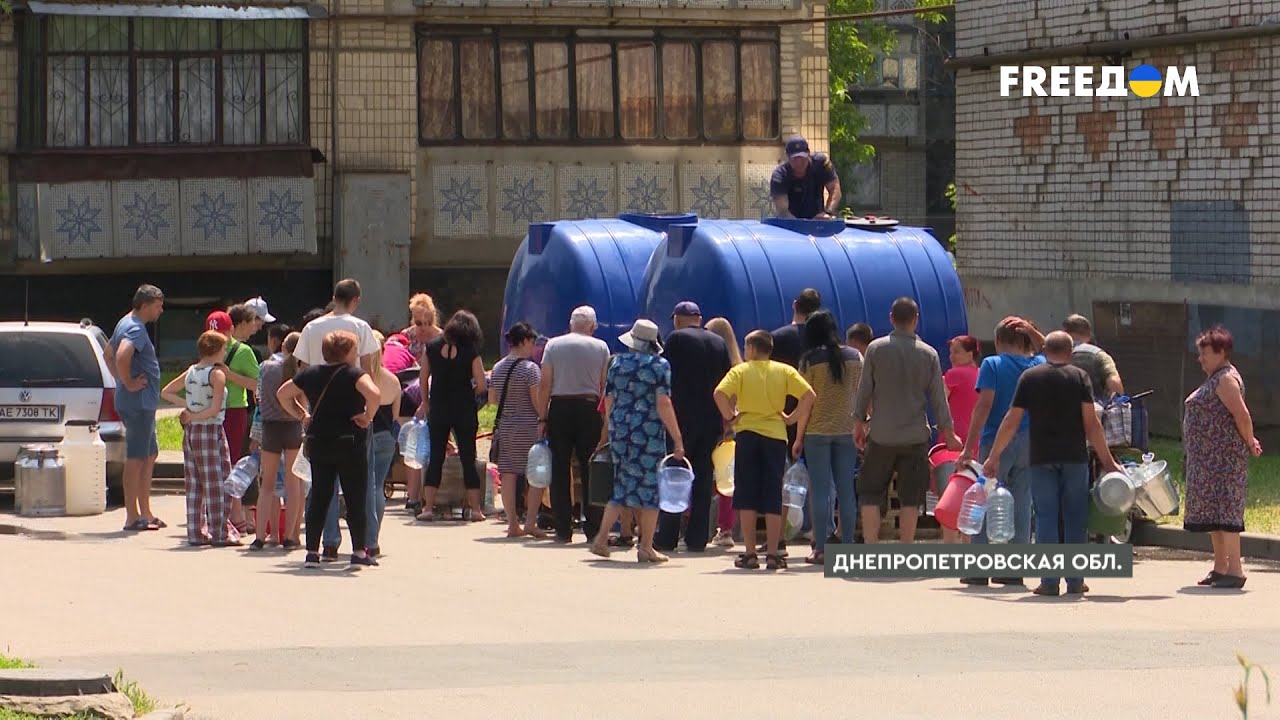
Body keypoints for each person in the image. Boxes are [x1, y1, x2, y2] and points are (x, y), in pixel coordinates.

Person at [983, 331, 1122, 597]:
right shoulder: (1079, 377)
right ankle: (1074, 581)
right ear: (1071, 353)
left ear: (1045, 350)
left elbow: (1012, 419)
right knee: (1074, 518)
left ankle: (1049, 582)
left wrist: (994, 456)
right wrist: (1109, 461)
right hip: (1074, 457)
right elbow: (1091, 422)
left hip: (1041, 457)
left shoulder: (1030, 377)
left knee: (1045, 517)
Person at [852, 297, 961, 544]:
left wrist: (859, 422)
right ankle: (906, 549)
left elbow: (864, 389)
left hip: (881, 434)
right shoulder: (928, 354)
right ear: (916, 320)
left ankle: (871, 548)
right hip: (914, 436)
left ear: (891, 318)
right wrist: (949, 432)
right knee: (911, 497)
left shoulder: (876, 349)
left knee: (870, 492)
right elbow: (938, 398)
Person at [276, 330, 380, 569]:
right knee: (355, 496)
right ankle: (358, 552)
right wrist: (368, 416)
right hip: (349, 440)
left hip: (320, 440)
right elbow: (374, 394)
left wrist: (302, 415)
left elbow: (283, 394)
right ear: (346, 352)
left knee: (320, 496)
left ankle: (312, 551)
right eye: (354, 350)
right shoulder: (354, 373)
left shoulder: (310, 373)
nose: (356, 354)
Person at [714, 330, 815, 571]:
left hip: (747, 434)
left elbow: (719, 393)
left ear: (750, 348)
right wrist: (790, 419)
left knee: (746, 494)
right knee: (773, 494)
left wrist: (731, 417)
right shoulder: (784, 370)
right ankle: (773, 553)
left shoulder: (740, 371)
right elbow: (809, 395)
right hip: (775, 436)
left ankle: (749, 554)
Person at [957, 317, 1044, 584]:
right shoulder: (1038, 365)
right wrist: (1032, 331)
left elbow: (984, 405)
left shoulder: (992, 364)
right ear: (1025, 340)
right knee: (1020, 503)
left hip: (996, 440)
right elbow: (1049, 347)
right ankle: (1012, 570)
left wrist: (969, 447)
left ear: (997, 342)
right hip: (1030, 442)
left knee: (983, 499)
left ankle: (979, 569)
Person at [590, 320, 685, 563]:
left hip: (621, 431)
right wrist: (677, 438)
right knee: (651, 490)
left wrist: (614, 426)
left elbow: (608, 399)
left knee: (621, 486)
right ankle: (645, 547)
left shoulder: (618, 363)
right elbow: (663, 403)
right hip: (649, 432)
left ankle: (601, 539)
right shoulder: (659, 365)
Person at [1183, 325, 1262, 589]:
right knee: (1214, 517)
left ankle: (1235, 571)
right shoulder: (1215, 378)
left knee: (1227, 514)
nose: (1200, 358)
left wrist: (1250, 442)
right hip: (1208, 464)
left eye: (1205, 352)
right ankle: (1221, 567)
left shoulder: (1226, 379)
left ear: (1221, 352)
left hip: (1223, 463)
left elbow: (1242, 415)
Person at [652, 302, 732, 553]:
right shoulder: (718, 342)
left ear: (679, 319)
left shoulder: (675, 339)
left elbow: (662, 373)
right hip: (711, 418)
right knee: (703, 477)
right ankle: (698, 538)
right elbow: (726, 381)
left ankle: (667, 535)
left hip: (681, 417)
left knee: (675, 475)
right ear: (699, 318)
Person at [794, 310, 863, 564]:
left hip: (817, 431)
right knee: (846, 489)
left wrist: (798, 438)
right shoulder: (856, 356)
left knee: (820, 491)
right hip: (846, 430)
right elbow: (862, 392)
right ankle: (847, 545)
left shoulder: (809, 361)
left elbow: (805, 404)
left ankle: (821, 548)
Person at [539, 306, 611, 543]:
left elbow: (545, 383)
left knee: (560, 468)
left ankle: (562, 527)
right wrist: (604, 419)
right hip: (588, 408)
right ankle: (593, 527)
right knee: (590, 467)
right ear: (592, 327)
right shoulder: (601, 347)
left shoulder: (553, 345)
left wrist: (542, 416)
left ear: (571, 324)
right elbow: (603, 387)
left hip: (560, 407)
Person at [329, 331, 401, 557]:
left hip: (364, 432)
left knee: (350, 485)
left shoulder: (360, 379)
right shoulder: (393, 380)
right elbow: (395, 415)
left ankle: (336, 539)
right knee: (377, 486)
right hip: (386, 436)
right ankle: (373, 537)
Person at [160, 331, 234, 546]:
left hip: (192, 431)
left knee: (195, 483)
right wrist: (195, 412)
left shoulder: (192, 371)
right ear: (216, 350)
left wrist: (188, 406)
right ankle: (219, 532)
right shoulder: (216, 374)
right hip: (210, 430)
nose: (225, 351)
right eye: (224, 348)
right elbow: (215, 408)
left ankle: (195, 532)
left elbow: (167, 391)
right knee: (217, 482)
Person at [416, 310, 488, 522]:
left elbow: (422, 378)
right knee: (468, 457)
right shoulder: (470, 350)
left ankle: (428, 507)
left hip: (438, 406)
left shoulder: (432, 346)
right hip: (464, 409)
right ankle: (475, 509)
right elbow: (482, 384)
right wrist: (469, 395)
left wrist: (426, 402)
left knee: (436, 457)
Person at [109, 284, 165, 532]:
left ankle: (145, 512)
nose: (161, 310)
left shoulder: (126, 322)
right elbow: (120, 355)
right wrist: (128, 383)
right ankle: (132, 516)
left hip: (141, 402)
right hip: (138, 404)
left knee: (149, 454)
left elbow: (107, 353)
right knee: (136, 458)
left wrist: (120, 381)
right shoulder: (134, 328)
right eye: (158, 305)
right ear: (145, 305)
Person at [489, 323, 548, 538]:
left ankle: (513, 523)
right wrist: (544, 418)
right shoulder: (531, 369)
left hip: (505, 426)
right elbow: (537, 400)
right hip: (528, 427)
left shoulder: (498, 367)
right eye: (532, 342)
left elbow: (493, 399)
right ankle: (530, 521)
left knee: (509, 474)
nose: (534, 347)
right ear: (523, 341)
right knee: (536, 475)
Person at [207, 305, 261, 535]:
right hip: (219, 411)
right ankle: (228, 515)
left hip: (232, 410)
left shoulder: (243, 351)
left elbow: (258, 384)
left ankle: (237, 515)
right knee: (223, 463)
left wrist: (231, 376)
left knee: (233, 461)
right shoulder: (208, 350)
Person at [251, 332, 304, 551]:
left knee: (267, 485)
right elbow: (302, 401)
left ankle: (260, 536)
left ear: (282, 345)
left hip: (270, 425)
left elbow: (258, 396)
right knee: (294, 484)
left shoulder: (265, 367)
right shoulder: (299, 370)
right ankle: (291, 536)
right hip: (292, 425)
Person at [704, 317, 744, 547]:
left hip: (715, 424)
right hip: (734, 427)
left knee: (704, 476)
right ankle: (726, 528)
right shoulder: (738, 366)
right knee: (726, 481)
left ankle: (696, 525)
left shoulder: (710, 365)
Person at [295, 279, 379, 375]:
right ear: (356, 300)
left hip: (318, 388)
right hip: (350, 388)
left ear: (334, 299)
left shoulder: (310, 327)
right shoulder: (362, 327)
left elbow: (303, 369)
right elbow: (366, 368)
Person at [769, 136, 841, 220]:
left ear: (808, 154)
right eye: (795, 158)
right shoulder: (780, 175)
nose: (799, 163)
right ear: (788, 157)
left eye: (802, 157)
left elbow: (835, 190)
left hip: (818, 220)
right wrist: (800, 226)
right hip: (791, 223)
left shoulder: (821, 164)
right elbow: (783, 211)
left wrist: (827, 212)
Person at [1062, 314, 1125, 397]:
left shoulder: (1055, 355)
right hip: (1095, 408)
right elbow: (1115, 384)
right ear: (1089, 333)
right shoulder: (1099, 355)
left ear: (1064, 332)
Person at [944, 335, 981, 449]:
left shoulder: (953, 374)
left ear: (970, 355)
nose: (951, 357)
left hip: (956, 435)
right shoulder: (982, 374)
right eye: (951, 352)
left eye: (956, 352)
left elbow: (940, 404)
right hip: (977, 436)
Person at [404, 293, 443, 360]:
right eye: (418, 323)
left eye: (428, 323)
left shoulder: (442, 338)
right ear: (413, 319)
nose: (423, 328)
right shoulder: (407, 335)